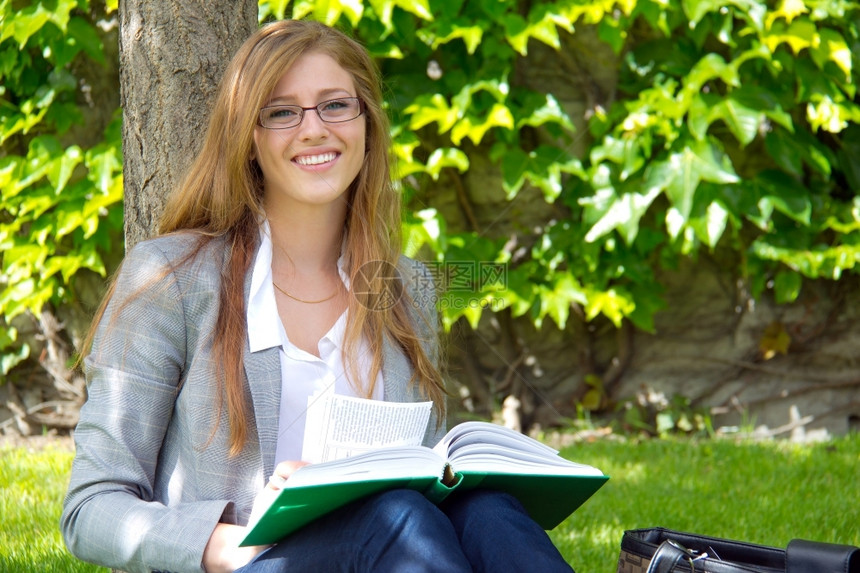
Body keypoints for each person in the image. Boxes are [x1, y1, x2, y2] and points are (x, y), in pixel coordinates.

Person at [61, 19, 575, 573]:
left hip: (388, 549)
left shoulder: (409, 289)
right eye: (282, 112)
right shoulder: (171, 279)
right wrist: (234, 544)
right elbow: (91, 508)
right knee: (397, 515)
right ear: (249, 139)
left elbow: (418, 477)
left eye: (335, 105)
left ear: (366, 125)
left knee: (488, 510)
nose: (314, 130)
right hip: (253, 562)